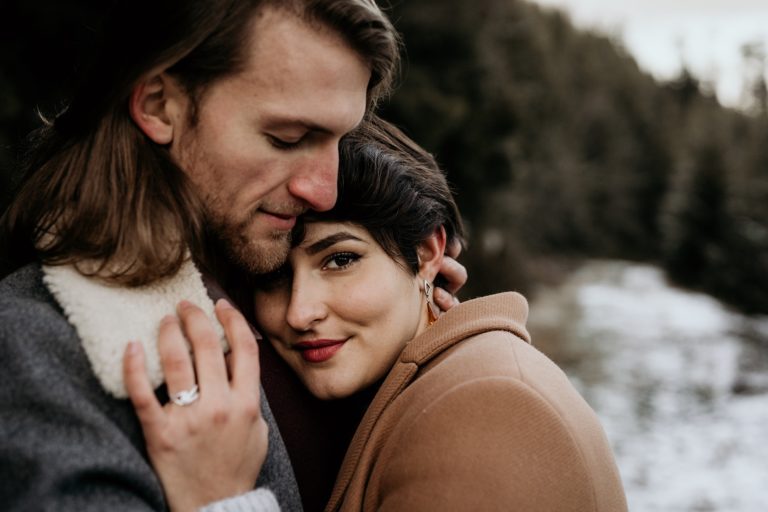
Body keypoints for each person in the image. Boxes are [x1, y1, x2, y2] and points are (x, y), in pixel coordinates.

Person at [0, 1, 469, 510]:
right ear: (159, 105)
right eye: (287, 138)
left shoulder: (255, 286)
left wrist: (412, 320)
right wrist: (220, 501)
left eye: (340, 139)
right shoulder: (32, 350)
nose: (325, 192)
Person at [134, 116, 628, 511]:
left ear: (430, 251)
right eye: (273, 279)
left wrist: (226, 501)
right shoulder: (432, 380)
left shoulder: (487, 409)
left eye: (341, 260)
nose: (300, 312)